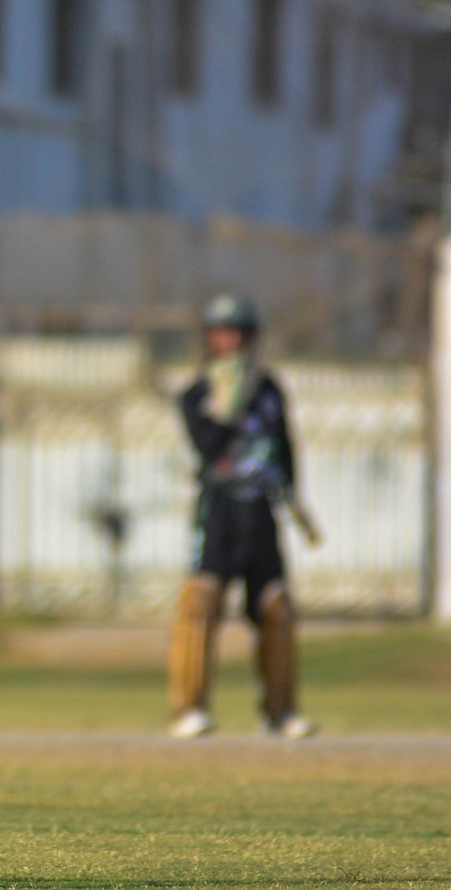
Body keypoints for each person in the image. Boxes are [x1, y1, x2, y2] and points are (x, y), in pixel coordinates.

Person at [168, 293, 318, 740]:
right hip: (221, 509)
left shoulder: (268, 390)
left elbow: (284, 445)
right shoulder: (196, 394)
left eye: (238, 333)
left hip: (260, 510)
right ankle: (189, 708)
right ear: (210, 338)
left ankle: (280, 711)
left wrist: (294, 496)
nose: (231, 342)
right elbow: (207, 446)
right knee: (201, 601)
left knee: (276, 606)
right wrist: (227, 403)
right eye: (222, 333)